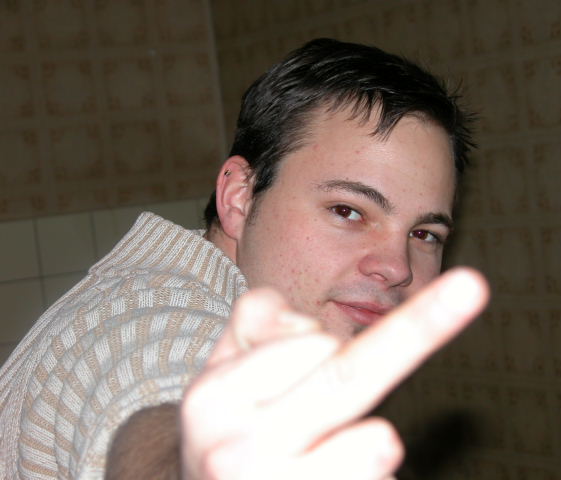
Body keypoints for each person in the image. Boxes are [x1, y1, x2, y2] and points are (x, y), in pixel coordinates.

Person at [0, 38, 489, 479]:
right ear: (239, 198)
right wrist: (194, 463)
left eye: (424, 234)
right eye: (347, 211)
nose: (397, 267)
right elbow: (158, 388)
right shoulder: (145, 317)